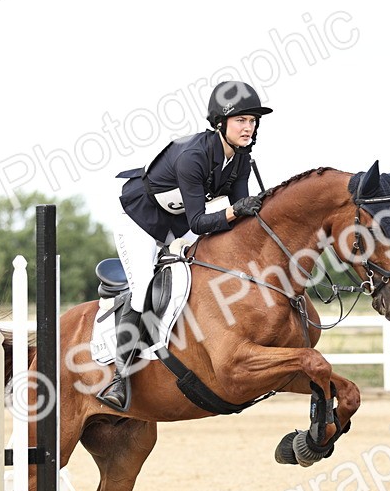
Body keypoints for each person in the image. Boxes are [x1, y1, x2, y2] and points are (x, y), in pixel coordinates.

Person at [97, 80, 273, 411]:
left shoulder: (240, 161)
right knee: (142, 288)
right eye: (241, 120)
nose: (248, 127)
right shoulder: (193, 156)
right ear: (221, 124)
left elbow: (239, 218)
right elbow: (200, 222)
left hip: (176, 224)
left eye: (252, 121)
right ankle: (119, 377)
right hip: (141, 223)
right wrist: (236, 210)